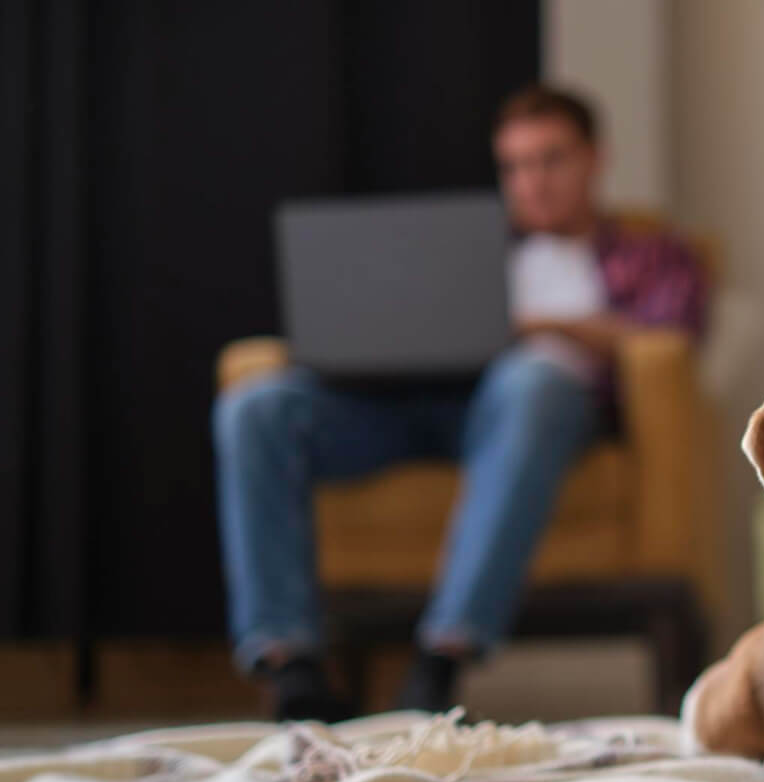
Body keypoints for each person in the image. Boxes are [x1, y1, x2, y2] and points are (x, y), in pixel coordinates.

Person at [213, 85, 708, 720]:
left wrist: (541, 328)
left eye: (551, 159)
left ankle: (442, 657)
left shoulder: (651, 253)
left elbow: (671, 337)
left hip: (529, 418)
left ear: (595, 158)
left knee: (535, 380)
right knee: (256, 407)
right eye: (515, 166)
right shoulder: (462, 249)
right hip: (400, 407)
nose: (532, 181)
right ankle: (291, 667)